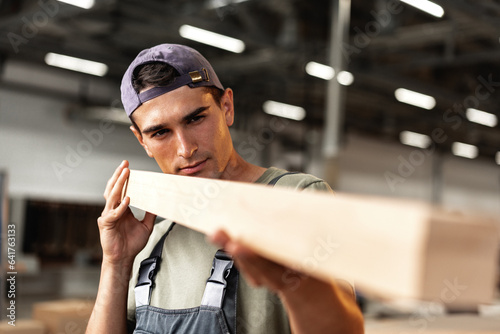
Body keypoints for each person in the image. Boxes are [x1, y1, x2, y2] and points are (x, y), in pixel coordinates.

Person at [86, 44, 364, 334]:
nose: (185, 149)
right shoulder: (151, 235)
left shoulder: (296, 198)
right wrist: (116, 264)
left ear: (227, 108)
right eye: (160, 132)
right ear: (142, 141)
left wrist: (298, 288)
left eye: (195, 118)